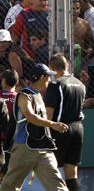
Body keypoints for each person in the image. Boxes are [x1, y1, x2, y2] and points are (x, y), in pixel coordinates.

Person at [0, 63, 69, 191]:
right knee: (9, 187)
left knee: (58, 186)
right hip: (24, 148)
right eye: (48, 76)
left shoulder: (39, 95)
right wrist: (53, 124)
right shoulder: (24, 95)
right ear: (42, 77)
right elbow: (30, 116)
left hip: (43, 149)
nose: (49, 80)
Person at [43, 53, 85, 191]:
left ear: (53, 68)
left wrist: (44, 132)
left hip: (60, 129)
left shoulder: (55, 85)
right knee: (72, 174)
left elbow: (49, 114)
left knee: (52, 171)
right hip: (78, 129)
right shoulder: (80, 84)